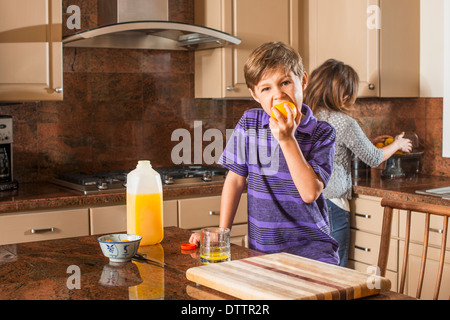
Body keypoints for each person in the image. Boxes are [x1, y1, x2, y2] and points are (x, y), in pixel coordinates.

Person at [190, 42, 340, 265]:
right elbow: (235, 181)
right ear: (254, 95)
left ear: (304, 81)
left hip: (312, 255)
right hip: (262, 254)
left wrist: (287, 138)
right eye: (266, 88)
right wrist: (222, 235)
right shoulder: (250, 123)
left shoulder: (322, 133)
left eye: (285, 82)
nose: (278, 94)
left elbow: (309, 193)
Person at [303, 59, 412, 267]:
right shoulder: (343, 122)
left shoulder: (304, 118)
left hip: (304, 203)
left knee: (311, 269)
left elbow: (329, 151)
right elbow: (373, 158)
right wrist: (397, 143)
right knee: (336, 272)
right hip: (332, 203)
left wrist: (366, 144)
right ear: (343, 93)